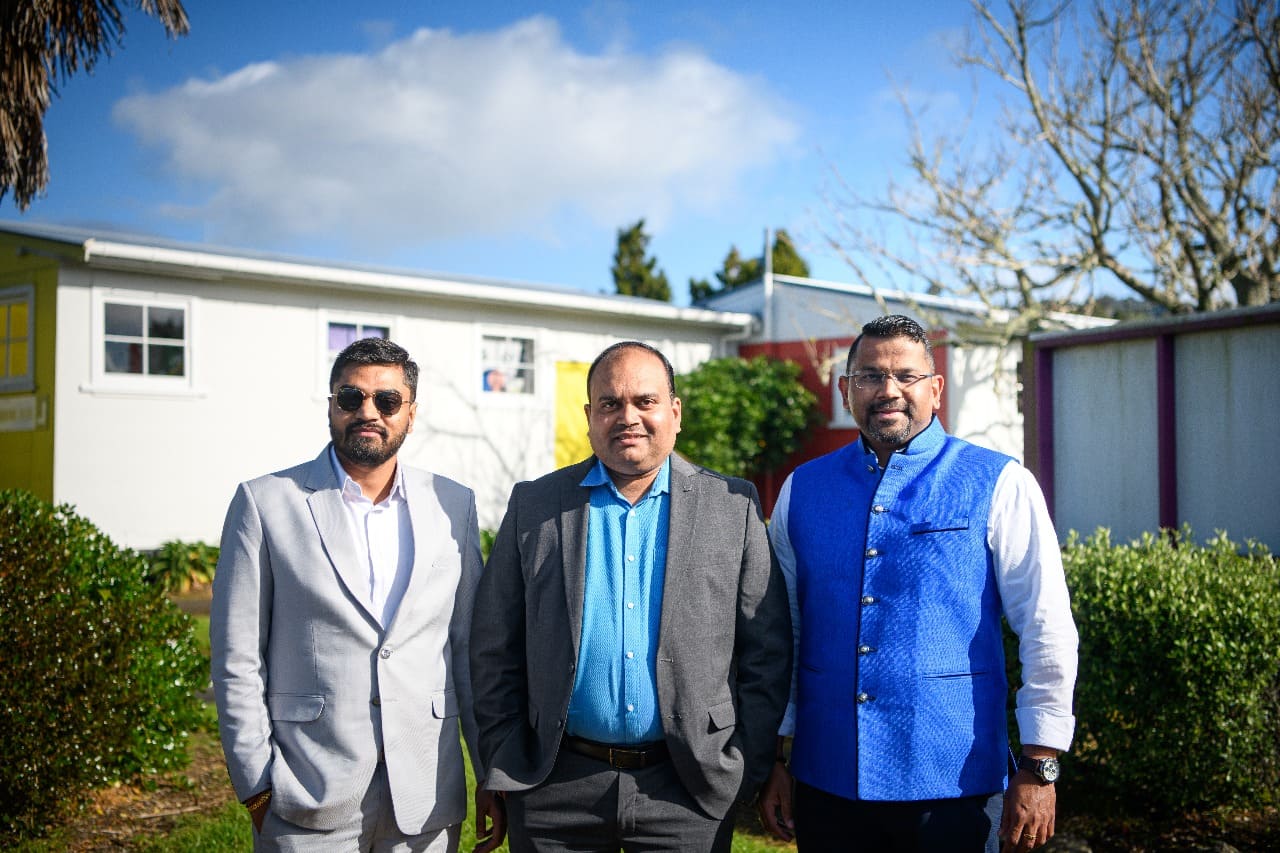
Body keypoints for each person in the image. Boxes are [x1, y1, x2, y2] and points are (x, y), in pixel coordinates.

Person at [757, 315, 1078, 853]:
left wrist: (1040, 763)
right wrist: (775, 757)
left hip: (955, 785)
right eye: (869, 376)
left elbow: (1046, 627)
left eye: (906, 376)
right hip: (825, 780)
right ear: (846, 390)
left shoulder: (1001, 482)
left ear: (936, 388)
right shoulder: (801, 488)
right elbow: (782, 632)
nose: (888, 390)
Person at [470, 340, 792, 852]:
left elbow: (766, 650)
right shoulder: (535, 506)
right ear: (589, 417)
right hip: (555, 788)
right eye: (610, 404)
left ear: (675, 412)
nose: (628, 417)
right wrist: (503, 756)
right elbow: (494, 645)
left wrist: (744, 761)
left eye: (646, 401)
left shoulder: (732, 506)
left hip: (688, 789)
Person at [211, 337, 503, 852]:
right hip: (307, 793)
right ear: (331, 405)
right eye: (352, 397)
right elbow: (237, 656)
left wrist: (488, 774)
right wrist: (256, 785)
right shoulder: (265, 502)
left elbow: (469, 652)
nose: (369, 412)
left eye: (388, 400)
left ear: (411, 413)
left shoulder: (453, 504)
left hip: (426, 797)